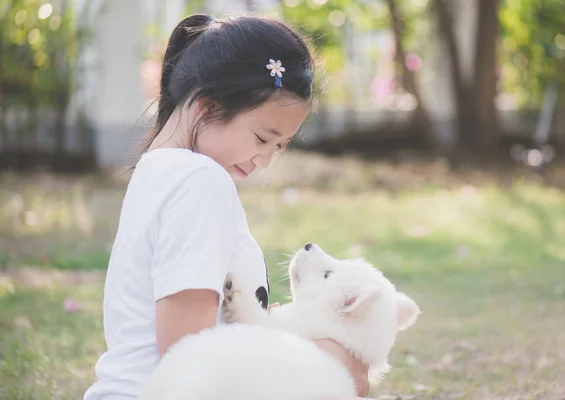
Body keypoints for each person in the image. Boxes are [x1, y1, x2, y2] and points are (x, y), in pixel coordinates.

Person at [83, 13, 371, 400]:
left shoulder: (161, 172)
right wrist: (318, 357)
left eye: (279, 146)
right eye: (261, 137)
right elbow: (186, 355)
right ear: (207, 107)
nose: (265, 160)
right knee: (338, 360)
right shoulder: (198, 181)